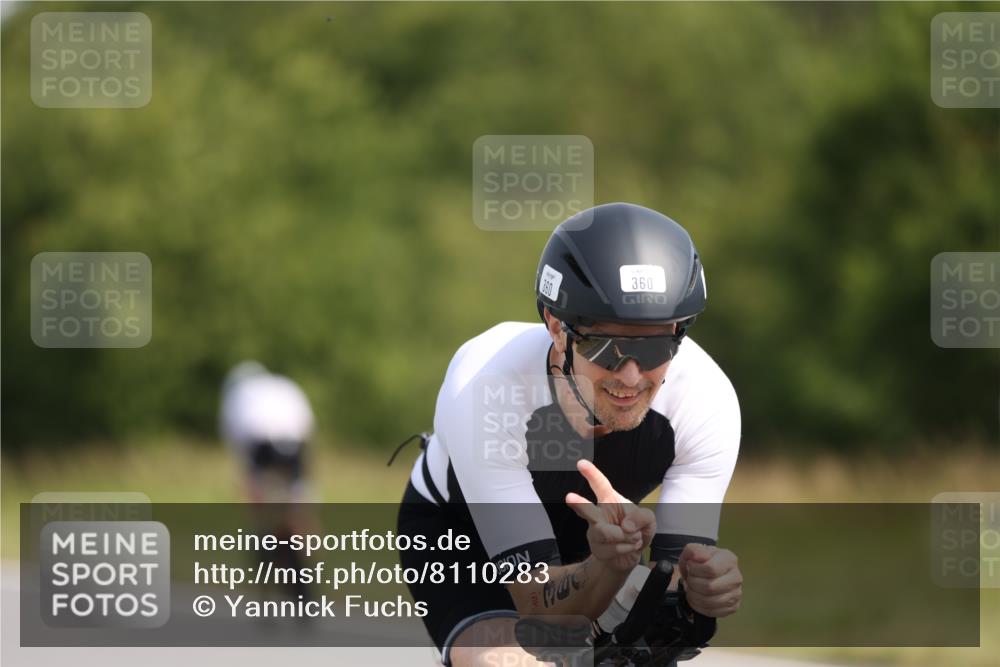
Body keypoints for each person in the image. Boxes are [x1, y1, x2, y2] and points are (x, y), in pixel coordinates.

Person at [396, 203, 744, 666]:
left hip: (600, 542)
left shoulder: (705, 399)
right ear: (558, 328)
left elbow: (680, 595)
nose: (632, 375)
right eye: (606, 346)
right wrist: (605, 566)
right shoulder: (486, 387)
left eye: (657, 345)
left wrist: (705, 595)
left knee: (656, 633)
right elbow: (538, 605)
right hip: (460, 531)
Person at [219, 361, 316, 603]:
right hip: (295, 447)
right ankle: (305, 566)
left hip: (262, 448)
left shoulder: (235, 395)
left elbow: (240, 451)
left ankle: (266, 563)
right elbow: (308, 431)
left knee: (262, 512)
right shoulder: (284, 386)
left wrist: (252, 491)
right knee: (298, 513)